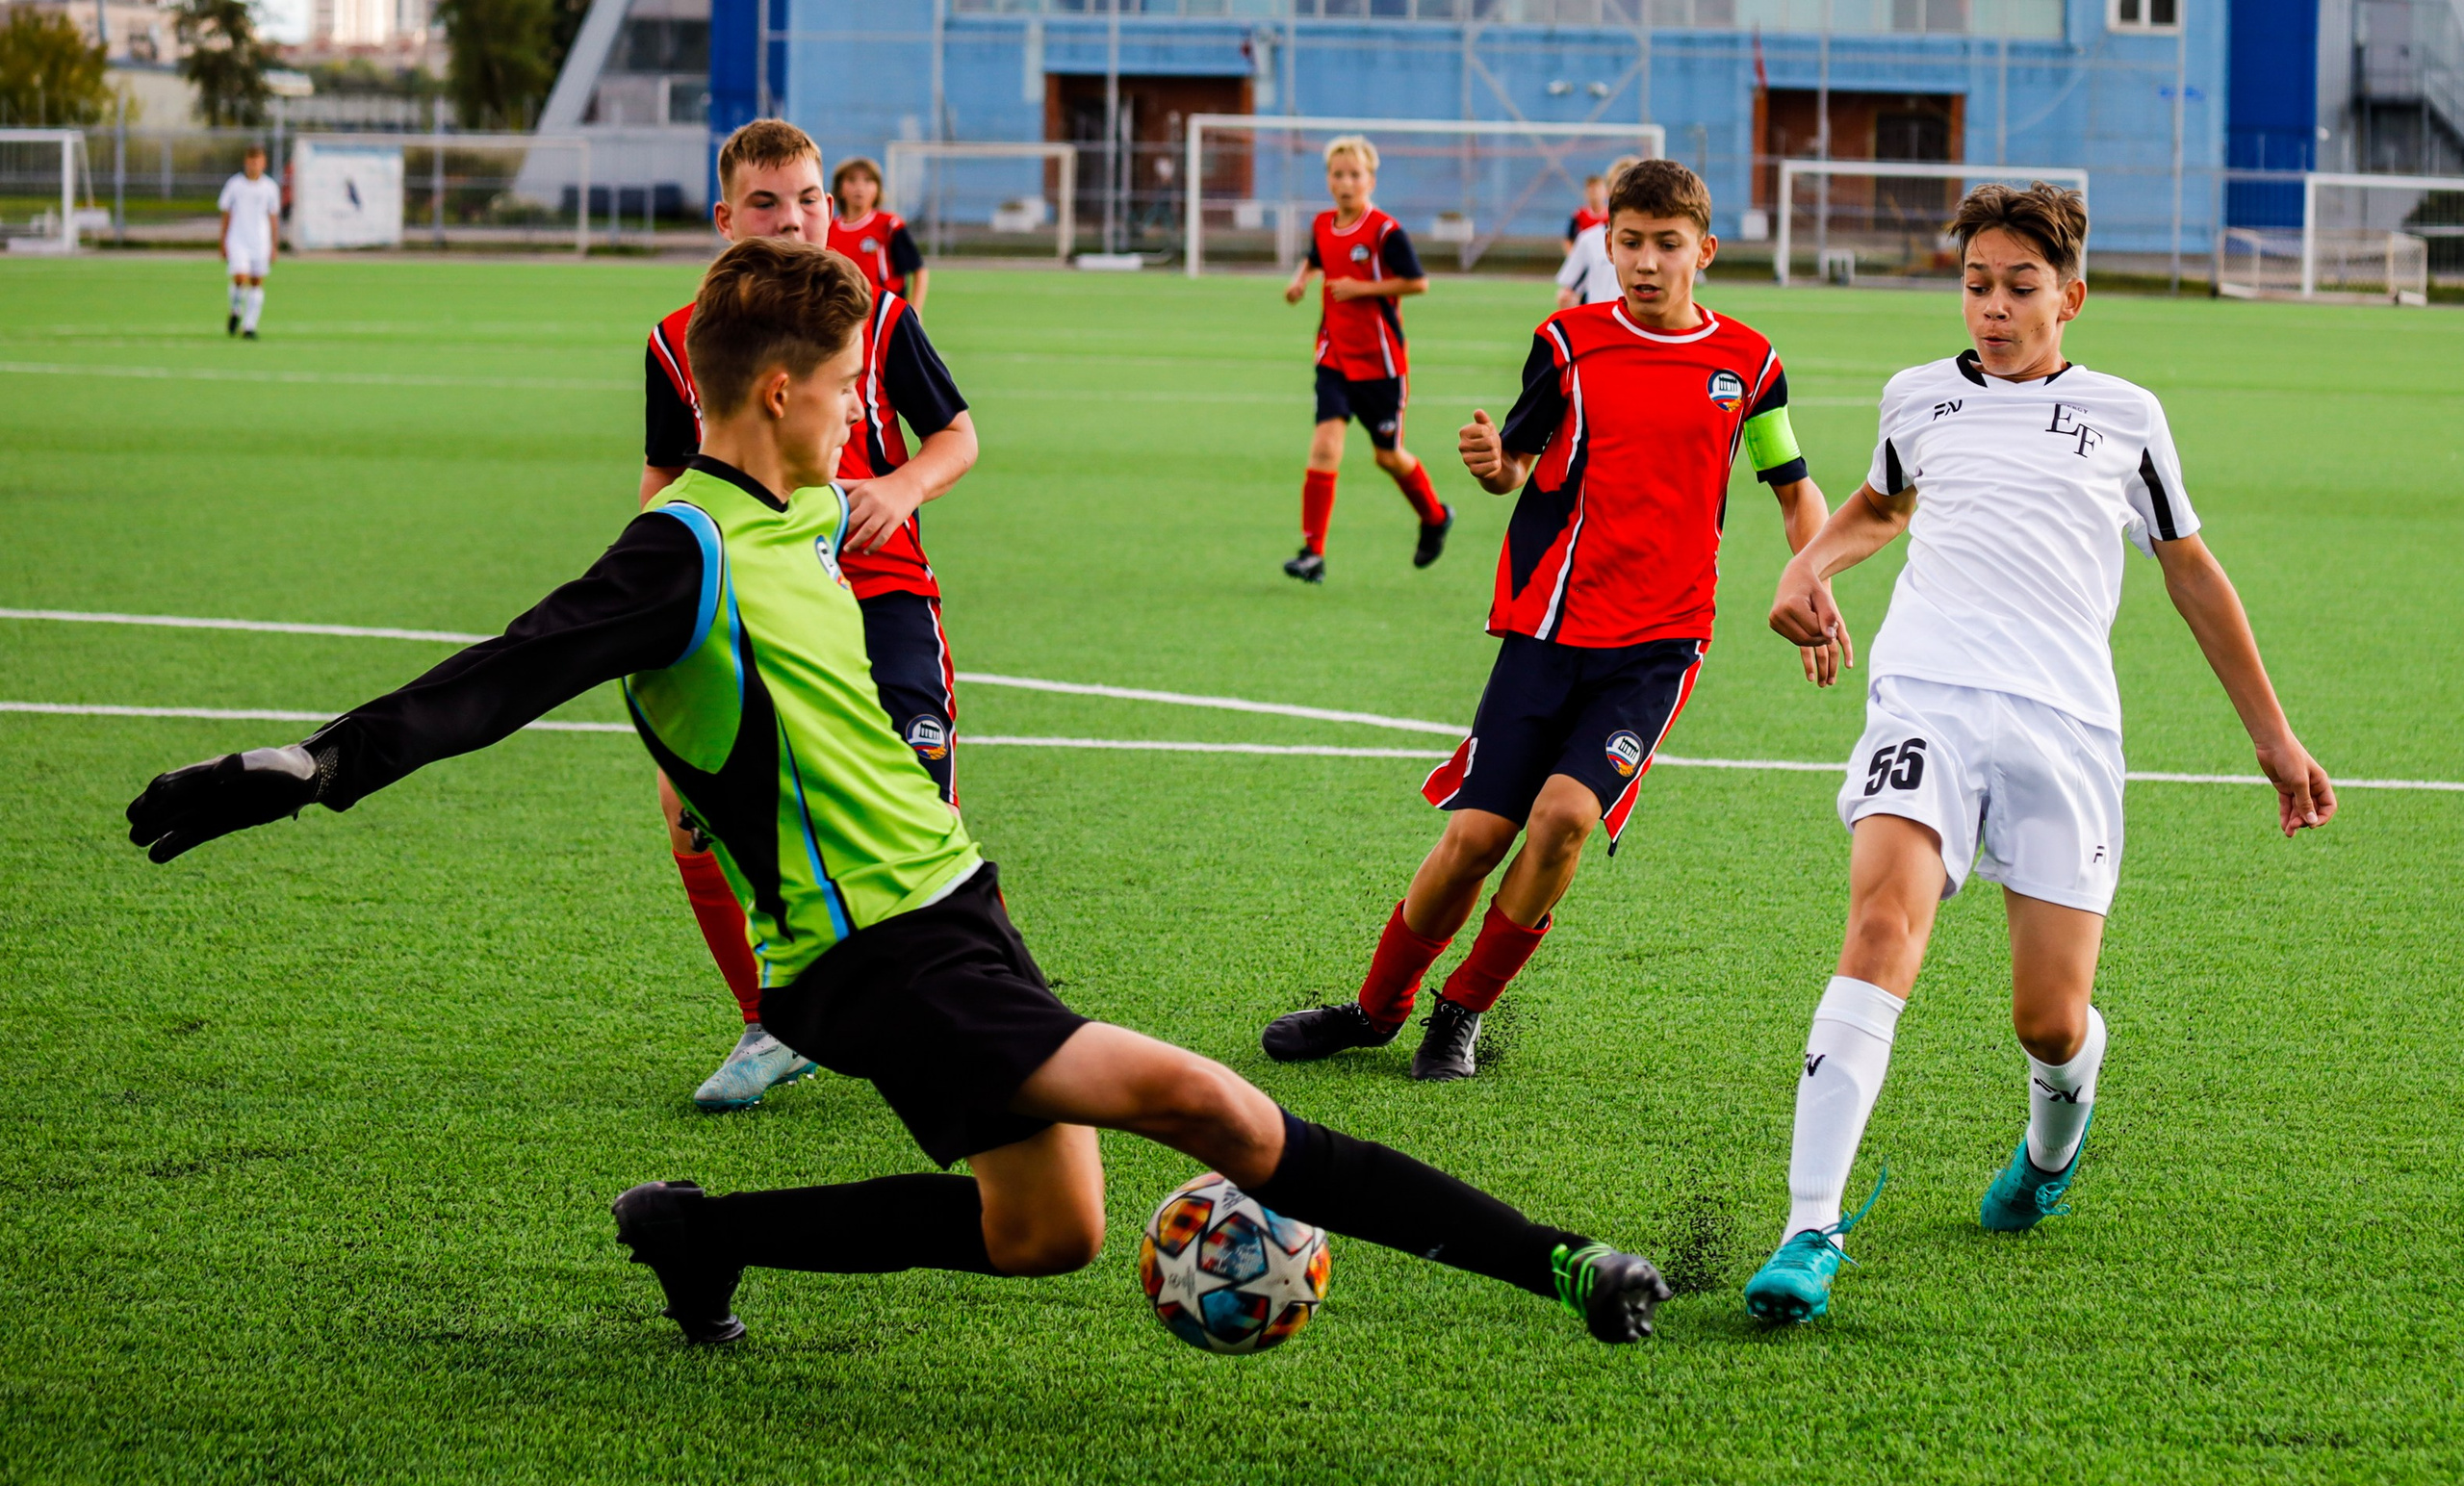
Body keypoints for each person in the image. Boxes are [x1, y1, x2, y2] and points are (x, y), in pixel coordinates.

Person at [122, 235, 1676, 1351]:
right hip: (869, 955)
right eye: (848, 381)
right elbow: (507, 669)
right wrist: (318, 765)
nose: (859, 406)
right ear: (786, 386)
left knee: (1046, 1228)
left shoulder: (797, 520)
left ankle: (702, 1227)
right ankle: (1562, 1264)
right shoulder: (684, 547)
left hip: (953, 905)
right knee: (1210, 1102)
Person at [1745, 183, 2338, 1324]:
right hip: (1925, 696)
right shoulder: (1916, 397)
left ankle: (2049, 1143)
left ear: (2071, 297)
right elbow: (1879, 503)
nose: (1994, 308)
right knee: (1878, 929)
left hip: (2064, 725)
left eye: (2020, 287)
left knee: (2049, 1020)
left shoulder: (2126, 416)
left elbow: (2188, 570)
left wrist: (2273, 736)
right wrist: (1803, 567)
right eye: (1976, 285)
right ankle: (1807, 1228)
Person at [1261, 160, 1835, 1082]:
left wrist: (1815, 575)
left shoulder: (1749, 365)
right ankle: (1375, 1010)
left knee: (1563, 819)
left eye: (1668, 244)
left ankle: (1461, 1013)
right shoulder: (1565, 344)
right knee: (1476, 839)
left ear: (1706, 251)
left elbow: (1792, 487)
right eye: (1631, 243)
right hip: (1548, 630)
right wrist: (1492, 462)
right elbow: (1516, 468)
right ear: (1609, 245)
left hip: (1660, 644)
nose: (1647, 263)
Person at [644, 119, 980, 1112]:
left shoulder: (873, 320)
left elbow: (956, 434)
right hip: (746, 604)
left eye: (809, 200)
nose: (792, 221)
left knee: (919, 810)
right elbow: (666, 471)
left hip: (881, 594)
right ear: (724, 220)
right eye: (765, 203)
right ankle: (773, 1023)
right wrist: (655, 567)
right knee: (689, 811)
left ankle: (951, 1016)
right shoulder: (677, 340)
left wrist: (903, 487)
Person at [1278, 135, 1453, 584]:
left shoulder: (1385, 232)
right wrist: (1300, 281)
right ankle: (1312, 552)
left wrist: (1362, 289)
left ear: (1371, 179)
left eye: (1355, 174)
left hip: (1381, 364)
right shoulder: (1322, 224)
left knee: (1388, 457)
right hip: (1334, 355)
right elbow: (1315, 257)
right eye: (1338, 174)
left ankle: (1434, 517)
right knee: (1324, 445)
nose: (1346, 182)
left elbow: (1418, 283)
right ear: (1328, 180)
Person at [827, 157, 927, 312]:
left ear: (877, 189)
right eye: (852, 180)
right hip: (841, 315)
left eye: (867, 181)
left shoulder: (889, 225)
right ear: (840, 189)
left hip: (883, 314)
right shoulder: (827, 228)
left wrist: (916, 310)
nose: (859, 187)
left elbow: (918, 269)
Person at [1554, 159, 1638, 310]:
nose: (1628, 194)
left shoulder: (1658, 245)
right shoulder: (1589, 239)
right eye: (1621, 187)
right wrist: (1569, 298)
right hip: (1600, 329)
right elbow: (1568, 292)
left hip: (1641, 329)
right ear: (1609, 192)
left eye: (1636, 188)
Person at [218, 146, 281, 340]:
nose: (254, 165)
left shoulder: (270, 188)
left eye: (258, 162)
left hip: (260, 242)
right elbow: (226, 214)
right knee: (240, 277)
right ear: (246, 162)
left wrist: (274, 244)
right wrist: (223, 241)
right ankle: (236, 309)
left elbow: (273, 217)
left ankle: (249, 326)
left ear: (264, 163)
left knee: (256, 282)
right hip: (238, 240)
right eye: (251, 161)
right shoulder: (235, 185)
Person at [1562, 172, 1608, 253]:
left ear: (1606, 192)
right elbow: (1568, 239)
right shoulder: (1579, 214)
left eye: (1597, 190)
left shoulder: (1612, 215)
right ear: (1586, 193)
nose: (1595, 194)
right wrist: (1574, 257)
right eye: (1591, 191)